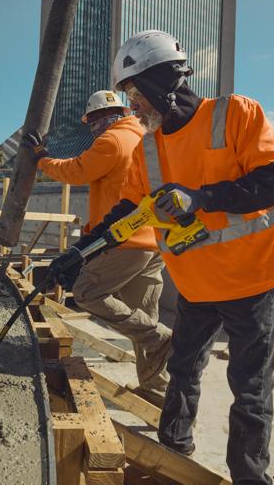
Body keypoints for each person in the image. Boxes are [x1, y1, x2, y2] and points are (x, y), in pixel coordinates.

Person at [51, 30, 274, 485]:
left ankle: (250, 481)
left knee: (249, 389)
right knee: (182, 368)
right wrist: (78, 253)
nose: (135, 106)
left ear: (163, 80)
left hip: (252, 280)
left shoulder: (235, 113)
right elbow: (127, 211)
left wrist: (201, 197)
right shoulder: (149, 147)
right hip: (196, 285)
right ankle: (172, 451)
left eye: (135, 94)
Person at [22, 90, 172, 406]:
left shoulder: (113, 140)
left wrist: (41, 159)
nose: (91, 130)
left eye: (92, 123)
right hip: (153, 242)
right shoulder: (145, 138)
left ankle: (163, 338)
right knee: (142, 316)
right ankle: (156, 390)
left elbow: (76, 170)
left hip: (125, 239)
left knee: (87, 291)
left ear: (104, 118)